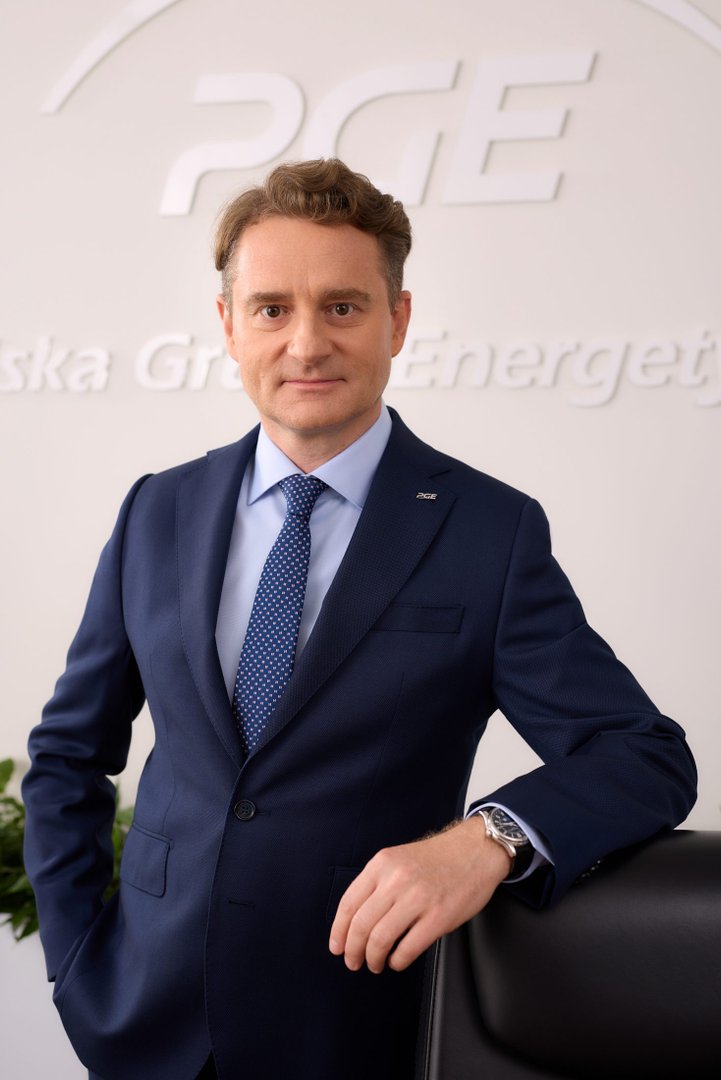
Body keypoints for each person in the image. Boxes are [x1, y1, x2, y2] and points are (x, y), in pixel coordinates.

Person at [23, 159, 696, 1080]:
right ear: (228, 325)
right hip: (145, 1022)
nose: (306, 344)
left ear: (398, 320)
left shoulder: (487, 531)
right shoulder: (156, 510)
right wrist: (74, 963)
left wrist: (487, 838)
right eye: (271, 309)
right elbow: (68, 753)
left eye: (341, 306)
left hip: (356, 1026)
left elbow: (643, 754)